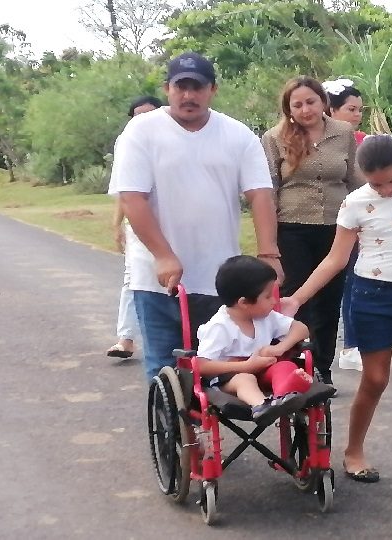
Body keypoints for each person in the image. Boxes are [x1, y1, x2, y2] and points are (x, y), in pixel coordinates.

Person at [281, 134, 392, 497]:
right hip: (371, 296)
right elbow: (335, 259)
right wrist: (296, 299)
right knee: (375, 379)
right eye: (377, 184)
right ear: (363, 176)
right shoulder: (355, 203)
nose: (386, 190)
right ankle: (353, 451)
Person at [110, 51, 283, 381]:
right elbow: (132, 198)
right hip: (157, 278)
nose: (188, 95)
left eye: (197, 87)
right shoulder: (140, 132)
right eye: (181, 87)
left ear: (212, 89)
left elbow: (260, 194)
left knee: (218, 369)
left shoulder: (237, 135)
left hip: (219, 278)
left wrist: (268, 254)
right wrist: (163, 255)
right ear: (167, 88)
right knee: (165, 370)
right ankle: (176, 419)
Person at [262, 76, 363, 387]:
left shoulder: (343, 132)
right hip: (292, 229)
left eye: (311, 102)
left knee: (329, 300)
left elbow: (354, 179)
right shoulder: (274, 138)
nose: (305, 110)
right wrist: (269, 243)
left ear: (323, 102)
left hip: (337, 227)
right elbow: (269, 189)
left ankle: (322, 368)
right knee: (296, 298)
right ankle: (295, 366)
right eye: (298, 105)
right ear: (288, 109)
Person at [196, 256, 335, 423]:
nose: (274, 301)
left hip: (263, 372)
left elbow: (301, 328)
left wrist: (280, 347)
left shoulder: (266, 317)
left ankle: (283, 398)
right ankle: (261, 406)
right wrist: (245, 366)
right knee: (245, 379)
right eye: (268, 296)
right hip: (229, 379)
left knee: (285, 366)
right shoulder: (219, 327)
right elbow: (201, 365)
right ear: (244, 302)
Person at [107, 95, 164, 359]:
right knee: (134, 279)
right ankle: (126, 339)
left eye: (149, 114)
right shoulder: (127, 142)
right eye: (137, 116)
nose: (143, 120)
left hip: (178, 224)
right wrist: (117, 224)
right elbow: (125, 190)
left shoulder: (178, 137)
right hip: (139, 225)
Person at [323, 78, 366, 371]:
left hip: (356, 221)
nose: (357, 115)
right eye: (351, 109)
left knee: (353, 282)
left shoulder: (363, 140)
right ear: (332, 110)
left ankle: (352, 345)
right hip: (324, 220)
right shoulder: (318, 141)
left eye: (360, 110)